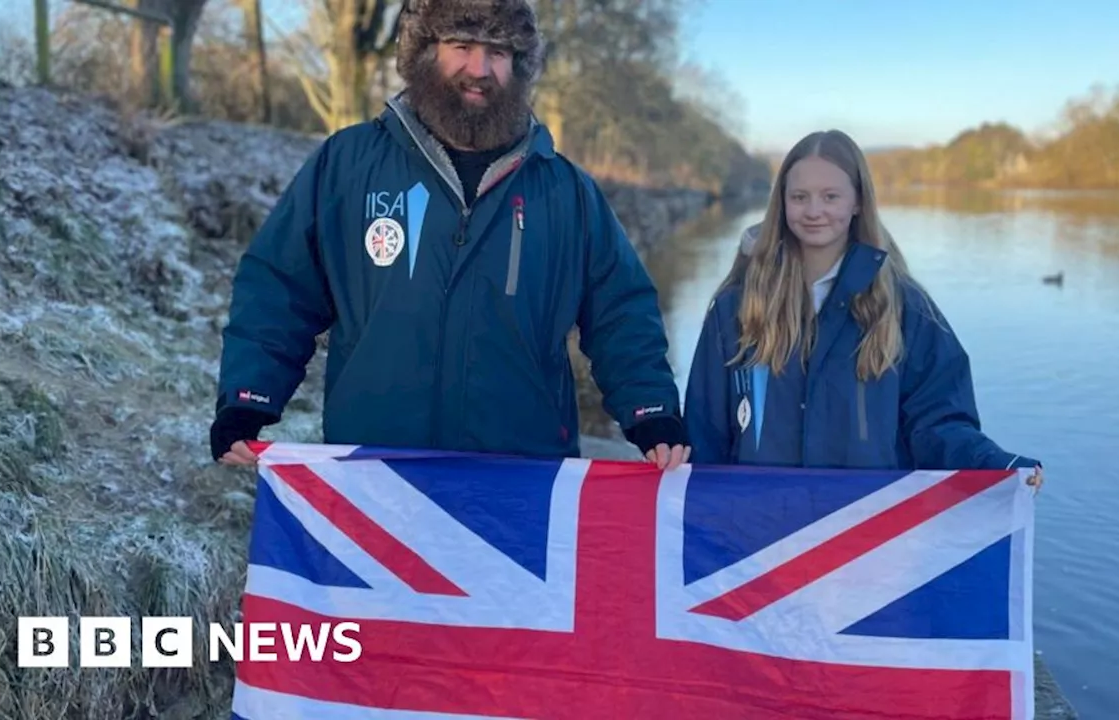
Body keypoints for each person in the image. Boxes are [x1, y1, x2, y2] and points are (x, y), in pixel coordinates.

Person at [208, 0, 690, 470]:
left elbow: (621, 310)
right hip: (374, 467)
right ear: (425, 51)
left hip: (522, 473)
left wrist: (651, 411)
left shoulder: (565, 190)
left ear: (519, 66)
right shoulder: (347, 164)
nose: (479, 68)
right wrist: (250, 398)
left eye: (498, 52)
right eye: (461, 44)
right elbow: (280, 287)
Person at [683, 129, 1042, 488]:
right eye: (799, 197)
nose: (813, 211)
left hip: (865, 532)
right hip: (758, 527)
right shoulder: (737, 306)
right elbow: (705, 431)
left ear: (857, 202)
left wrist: (996, 465)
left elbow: (938, 423)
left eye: (830, 196)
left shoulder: (905, 308)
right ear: (782, 202)